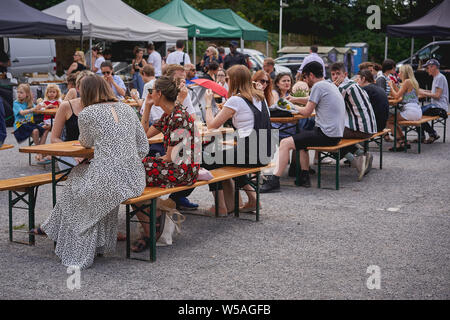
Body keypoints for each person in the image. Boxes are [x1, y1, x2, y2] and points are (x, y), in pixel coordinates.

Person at [36, 75, 149, 270]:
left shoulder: (88, 113)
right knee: (80, 179)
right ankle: (89, 239)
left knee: (76, 184)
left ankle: (72, 243)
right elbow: (143, 147)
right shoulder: (127, 108)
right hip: (135, 178)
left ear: (85, 92)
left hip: (109, 178)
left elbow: (85, 143)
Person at [133, 76, 200, 252]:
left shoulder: (178, 116)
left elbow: (169, 157)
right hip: (179, 167)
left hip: (182, 171)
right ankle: (151, 225)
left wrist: (146, 162)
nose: (149, 94)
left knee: (132, 173)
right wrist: (146, 106)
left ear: (159, 93)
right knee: (132, 174)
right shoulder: (171, 113)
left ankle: (151, 229)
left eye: (151, 91)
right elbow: (144, 135)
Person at [261, 61, 345, 192]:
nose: (305, 81)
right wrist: (295, 100)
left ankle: (274, 180)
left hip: (326, 134)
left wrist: (292, 107)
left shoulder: (318, 86)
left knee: (285, 143)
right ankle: (304, 177)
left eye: (305, 78)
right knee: (301, 140)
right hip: (336, 133)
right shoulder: (328, 85)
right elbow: (311, 99)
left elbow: (306, 112)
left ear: (310, 75)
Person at [202, 65, 274, 215]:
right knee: (230, 157)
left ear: (232, 80)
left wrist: (208, 103)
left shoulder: (236, 100)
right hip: (265, 151)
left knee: (206, 158)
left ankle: (220, 206)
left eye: (227, 78)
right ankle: (253, 199)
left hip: (250, 154)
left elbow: (211, 126)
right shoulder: (260, 97)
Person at [330, 62, 377, 180]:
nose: (335, 77)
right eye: (333, 74)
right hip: (370, 128)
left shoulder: (343, 87)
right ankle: (362, 154)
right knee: (333, 132)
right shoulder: (354, 85)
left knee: (328, 135)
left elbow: (326, 104)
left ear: (345, 74)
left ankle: (357, 161)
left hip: (361, 129)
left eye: (338, 74)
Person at [51, 70, 94, 170]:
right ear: (78, 88)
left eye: (91, 86)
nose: (89, 90)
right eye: (85, 86)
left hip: (93, 155)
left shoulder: (100, 107)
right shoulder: (66, 106)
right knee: (83, 171)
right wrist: (73, 154)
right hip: (68, 154)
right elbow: (54, 138)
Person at [386, 64, 422, 151]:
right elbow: (402, 94)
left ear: (404, 72)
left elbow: (397, 96)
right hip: (416, 110)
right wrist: (394, 86)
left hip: (410, 111)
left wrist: (390, 86)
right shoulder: (413, 81)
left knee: (389, 121)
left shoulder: (407, 82)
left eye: (400, 72)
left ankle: (401, 142)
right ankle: (402, 141)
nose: (398, 74)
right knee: (393, 120)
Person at [13, 84, 49, 163]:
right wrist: (33, 109)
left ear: (27, 94)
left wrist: (45, 106)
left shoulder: (30, 103)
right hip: (20, 126)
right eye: (18, 92)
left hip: (30, 125)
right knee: (35, 131)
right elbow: (22, 113)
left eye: (21, 92)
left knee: (47, 129)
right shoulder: (16, 103)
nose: (18, 94)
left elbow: (37, 109)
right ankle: (40, 154)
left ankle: (40, 153)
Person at [418, 59, 449, 143]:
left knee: (416, 113)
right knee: (416, 111)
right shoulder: (437, 77)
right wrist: (422, 90)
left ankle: (432, 134)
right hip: (436, 105)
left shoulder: (439, 78)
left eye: (427, 68)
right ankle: (423, 136)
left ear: (434, 67)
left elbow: (437, 96)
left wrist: (422, 92)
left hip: (439, 107)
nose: (426, 70)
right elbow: (433, 93)